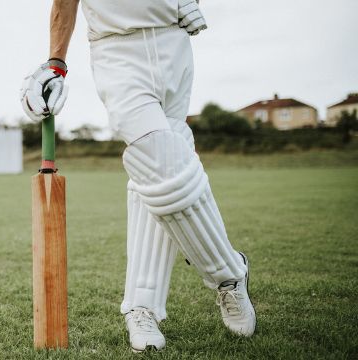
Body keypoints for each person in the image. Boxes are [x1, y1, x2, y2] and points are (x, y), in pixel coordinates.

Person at [20, 0, 256, 353]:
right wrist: (56, 62)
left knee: (165, 161)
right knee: (156, 157)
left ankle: (141, 305)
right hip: (117, 50)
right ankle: (228, 272)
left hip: (173, 43)